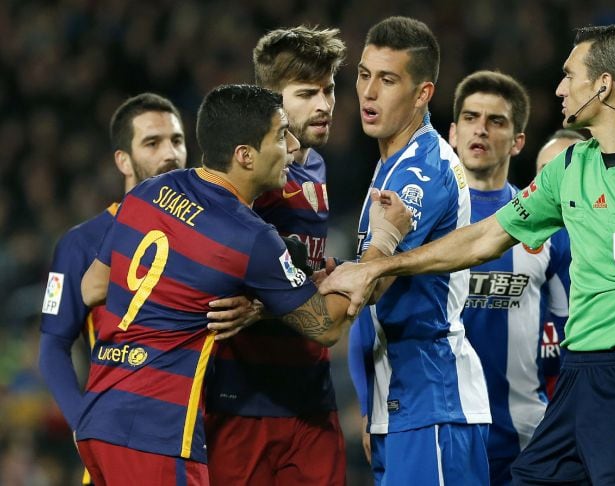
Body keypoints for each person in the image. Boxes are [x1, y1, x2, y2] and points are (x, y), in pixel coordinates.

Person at [322, 24, 615, 485]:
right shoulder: (570, 167)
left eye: (570, 76)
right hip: (576, 378)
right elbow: (484, 237)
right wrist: (382, 266)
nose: (559, 88)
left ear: (604, 84)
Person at [75, 84, 409, 485]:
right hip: (158, 431)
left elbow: (93, 288)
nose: (290, 144)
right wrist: (383, 245)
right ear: (245, 156)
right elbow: (327, 326)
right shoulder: (247, 236)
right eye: (280, 134)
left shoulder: (148, 192)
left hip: (98, 415)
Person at [204, 26, 349, 485]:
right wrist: (266, 304)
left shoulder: (316, 165)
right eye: (306, 93)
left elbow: (298, 272)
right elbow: (213, 272)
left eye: (328, 90)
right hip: (244, 402)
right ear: (270, 100)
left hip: (310, 396)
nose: (324, 104)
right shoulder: (247, 177)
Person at [349, 16, 491, 486]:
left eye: (388, 80)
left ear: (423, 93)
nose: (369, 92)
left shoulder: (420, 172)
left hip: (433, 401)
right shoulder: (392, 163)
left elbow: (371, 284)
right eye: (364, 74)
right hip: (402, 403)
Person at [39, 92, 188, 485]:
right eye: (152, 143)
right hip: (119, 440)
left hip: (194, 440)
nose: (170, 153)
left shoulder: (209, 235)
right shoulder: (80, 243)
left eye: (177, 140)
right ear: (123, 160)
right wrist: (81, 422)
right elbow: (53, 347)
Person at [448, 71, 573, 484]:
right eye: (470, 117)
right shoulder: (420, 219)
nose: (480, 128)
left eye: (496, 121)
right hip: (443, 429)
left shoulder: (547, 226)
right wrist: (368, 407)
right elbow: (375, 323)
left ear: (518, 142)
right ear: (452, 132)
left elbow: (574, 332)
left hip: (525, 437)